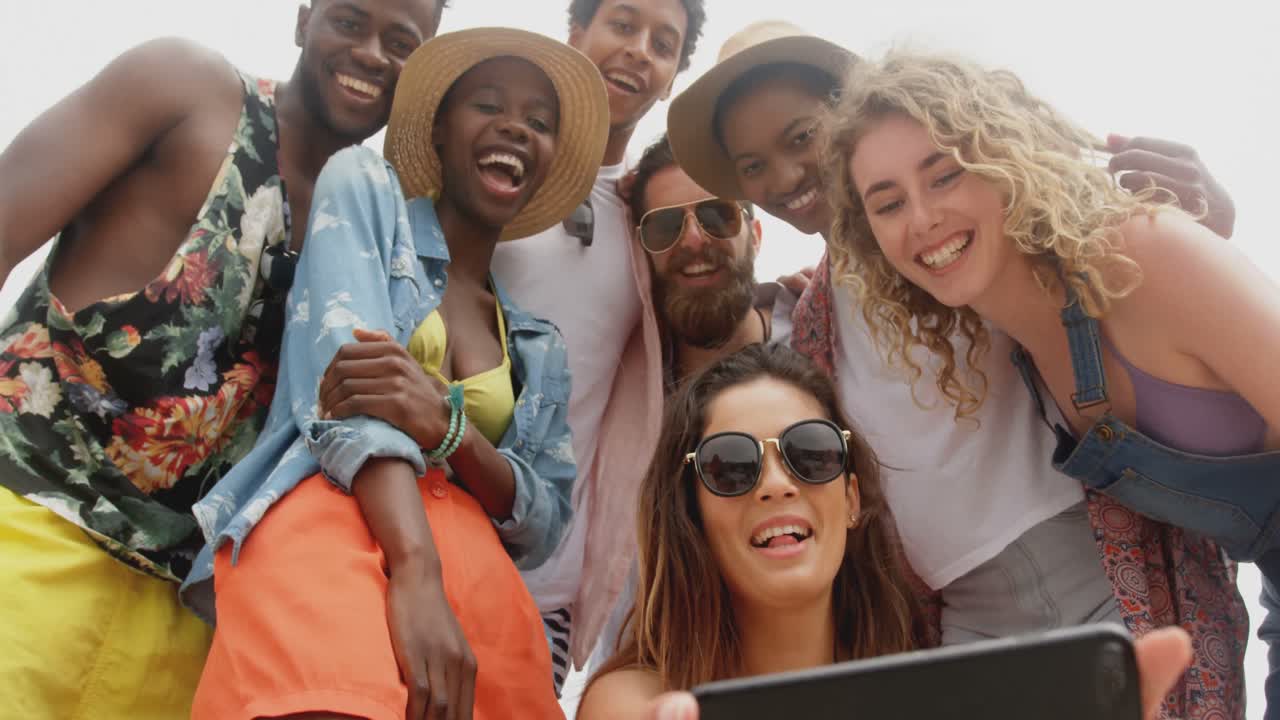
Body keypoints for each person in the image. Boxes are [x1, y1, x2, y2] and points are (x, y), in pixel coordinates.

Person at [665, 19, 1245, 718]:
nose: (784, 177)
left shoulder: (976, 232)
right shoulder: (812, 322)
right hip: (966, 624)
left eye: (800, 137)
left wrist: (1211, 223)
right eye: (753, 165)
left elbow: (1106, 262)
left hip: (1108, 572)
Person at [0, 1, 445, 715]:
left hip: (184, 623)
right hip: (27, 524)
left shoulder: (377, 231)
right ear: (303, 19)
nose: (371, 53)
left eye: (401, 42)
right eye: (349, 21)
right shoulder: (185, 89)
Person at [822, 49, 1280, 719]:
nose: (920, 218)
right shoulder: (1015, 340)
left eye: (945, 175)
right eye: (888, 204)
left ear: (1006, 159)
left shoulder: (1140, 254)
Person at [184, 27, 610, 720]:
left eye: (539, 122)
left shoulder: (539, 345)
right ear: (438, 129)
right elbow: (346, 396)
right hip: (338, 529)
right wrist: (417, 570)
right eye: (488, 105)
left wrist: (446, 427)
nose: (515, 128)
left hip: (486, 597)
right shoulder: (365, 189)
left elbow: (543, 523)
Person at [577, 343, 1195, 720]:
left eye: (811, 453)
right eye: (731, 466)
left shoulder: (933, 700)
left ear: (850, 499)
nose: (776, 484)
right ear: (691, 513)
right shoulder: (633, 704)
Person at [625, 133, 796, 385]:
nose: (693, 240)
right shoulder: (622, 380)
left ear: (755, 237)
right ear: (642, 249)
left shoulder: (829, 341)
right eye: (666, 225)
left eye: (717, 215)